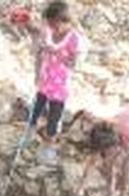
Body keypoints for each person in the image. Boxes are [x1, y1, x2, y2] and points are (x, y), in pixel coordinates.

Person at [24, 1, 86, 164]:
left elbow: (76, 64)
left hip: (60, 87)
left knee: (54, 118)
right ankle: (28, 136)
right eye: (49, 24)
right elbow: (40, 49)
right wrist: (37, 74)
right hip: (45, 81)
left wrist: (60, 55)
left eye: (55, 24)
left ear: (65, 21)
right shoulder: (48, 31)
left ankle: (48, 147)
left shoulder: (75, 39)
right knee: (35, 110)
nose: (52, 27)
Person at [71, 103, 129, 196]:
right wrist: (81, 185)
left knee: (127, 165)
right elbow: (92, 161)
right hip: (128, 124)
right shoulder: (100, 128)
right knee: (108, 164)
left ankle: (123, 194)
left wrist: (118, 157)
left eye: (109, 152)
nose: (106, 155)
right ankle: (111, 190)